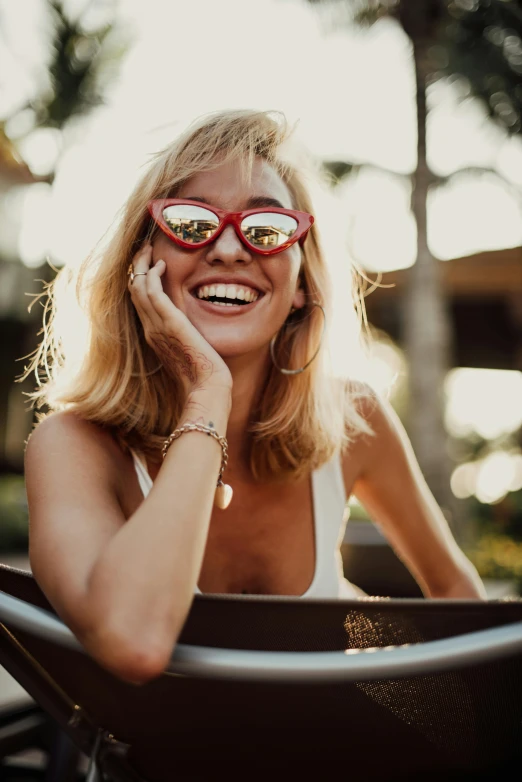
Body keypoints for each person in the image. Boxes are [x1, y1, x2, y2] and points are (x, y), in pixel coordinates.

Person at [23, 109, 486, 685]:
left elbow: (455, 592)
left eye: (266, 230)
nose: (229, 249)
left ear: (301, 286)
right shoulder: (72, 447)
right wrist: (207, 393)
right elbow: (131, 639)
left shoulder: (355, 420)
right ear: (142, 267)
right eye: (191, 223)